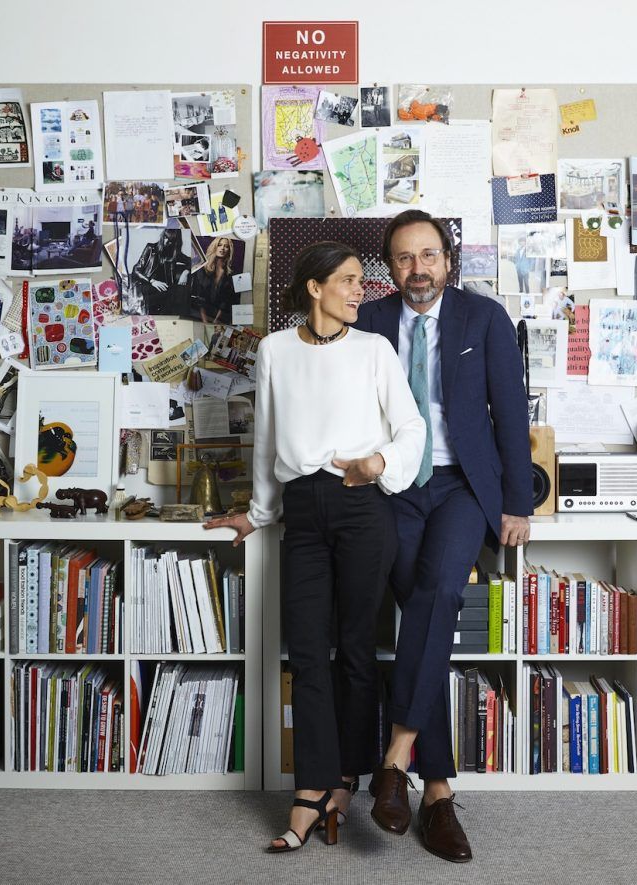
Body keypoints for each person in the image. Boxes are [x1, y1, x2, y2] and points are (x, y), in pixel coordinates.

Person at [204, 241, 426, 853]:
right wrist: (257, 514)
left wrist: (378, 461)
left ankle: (344, 783)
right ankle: (309, 790)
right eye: (350, 281)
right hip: (302, 509)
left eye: (362, 281)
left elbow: (413, 429)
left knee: (356, 650)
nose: (362, 290)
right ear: (314, 287)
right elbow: (267, 437)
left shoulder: (375, 350)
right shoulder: (274, 350)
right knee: (305, 650)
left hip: (362, 505)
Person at [354, 209, 533, 864]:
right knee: (425, 611)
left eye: (428, 255)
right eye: (404, 257)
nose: (418, 268)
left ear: (448, 260)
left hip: (462, 486)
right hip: (395, 488)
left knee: (437, 592)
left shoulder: (483, 318)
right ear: (389, 266)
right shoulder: (368, 322)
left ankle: (395, 755)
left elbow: (509, 412)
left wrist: (518, 501)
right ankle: (436, 791)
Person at [131, 228, 190, 315]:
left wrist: (186, 272)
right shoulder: (150, 248)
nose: (166, 242)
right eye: (165, 237)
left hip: (163, 289)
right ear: (162, 236)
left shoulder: (175, 254)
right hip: (146, 285)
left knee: (172, 293)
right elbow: (136, 270)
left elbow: (193, 261)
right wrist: (152, 281)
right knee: (171, 294)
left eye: (170, 241)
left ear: (175, 242)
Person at [189, 237, 239, 324]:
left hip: (219, 319)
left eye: (226, 246)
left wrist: (216, 321)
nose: (222, 248)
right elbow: (200, 298)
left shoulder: (230, 274)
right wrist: (205, 322)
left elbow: (226, 301)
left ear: (229, 251)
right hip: (197, 315)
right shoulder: (202, 268)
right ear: (214, 247)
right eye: (219, 245)